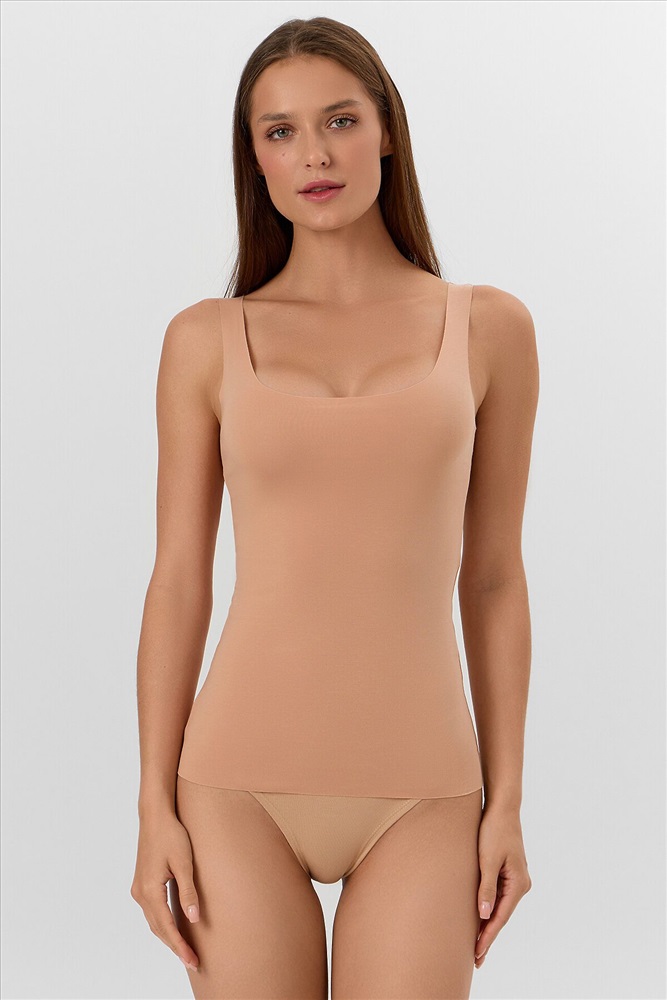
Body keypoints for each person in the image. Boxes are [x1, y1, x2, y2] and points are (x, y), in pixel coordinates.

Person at [130, 15, 538, 999]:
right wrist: (152, 806)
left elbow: (492, 579)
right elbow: (179, 580)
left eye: (339, 120)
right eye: (279, 131)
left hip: (425, 791)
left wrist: (508, 803)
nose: (313, 154)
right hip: (233, 785)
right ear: (255, 159)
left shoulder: (488, 328)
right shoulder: (204, 339)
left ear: (386, 128)